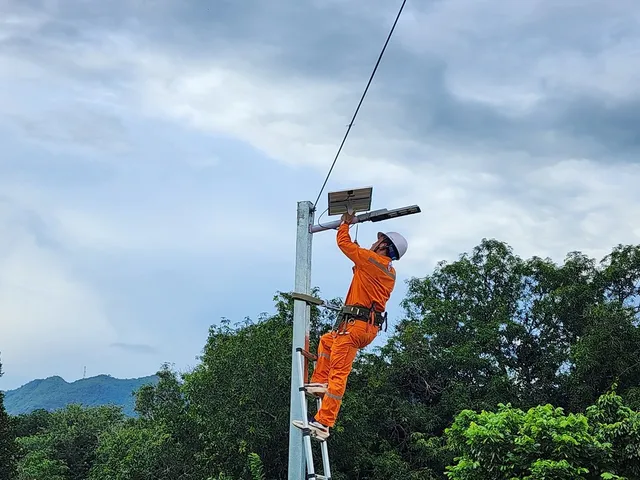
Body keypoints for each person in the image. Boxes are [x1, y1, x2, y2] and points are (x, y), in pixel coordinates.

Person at [292, 211, 408, 440]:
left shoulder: (372, 260)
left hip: (356, 327)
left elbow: (343, 244)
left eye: (378, 240)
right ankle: (320, 382)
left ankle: (323, 423)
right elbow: (360, 269)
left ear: (384, 245)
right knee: (326, 340)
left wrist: (344, 224)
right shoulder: (387, 270)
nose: (374, 242)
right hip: (364, 326)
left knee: (339, 373)